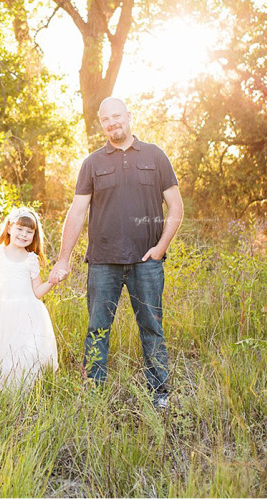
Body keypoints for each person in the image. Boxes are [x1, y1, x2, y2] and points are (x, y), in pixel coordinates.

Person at [49, 97, 184, 409]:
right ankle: (92, 395)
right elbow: (77, 211)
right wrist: (63, 257)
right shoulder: (93, 163)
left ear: (129, 116)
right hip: (102, 263)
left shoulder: (155, 155)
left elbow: (176, 207)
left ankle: (160, 394)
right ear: (102, 124)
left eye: (117, 116)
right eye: (106, 119)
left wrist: (160, 248)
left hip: (146, 263)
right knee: (97, 329)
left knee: (152, 328)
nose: (112, 123)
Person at [0, 207, 60, 389]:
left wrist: (52, 282)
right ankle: (3, 392)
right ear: (9, 228)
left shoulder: (31, 259)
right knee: (4, 352)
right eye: (20, 229)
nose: (24, 235)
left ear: (34, 236)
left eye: (29, 232)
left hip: (29, 312)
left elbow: (37, 291)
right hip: (4, 311)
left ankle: (27, 391)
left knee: (27, 351)